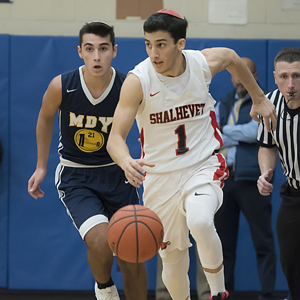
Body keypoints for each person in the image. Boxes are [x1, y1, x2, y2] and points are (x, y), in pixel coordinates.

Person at [107, 9, 277, 300]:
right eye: (148, 44)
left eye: (161, 44)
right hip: (160, 179)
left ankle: (218, 292)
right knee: (172, 260)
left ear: (180, 44)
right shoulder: (139, 80)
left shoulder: (202, 64)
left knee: (200, 221)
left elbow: (233, 58)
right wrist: (126, 161)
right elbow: (114, 139)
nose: (153, 52)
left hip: (202, 164)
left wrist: (259, 97)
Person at [27, 22, 147, 300]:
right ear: (80, 51)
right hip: (77, 176)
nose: (97, 56)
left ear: (114, 51)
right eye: (90, 49)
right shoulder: (62, 85)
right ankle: (104, 287)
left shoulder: (126, 85)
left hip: (118, 175)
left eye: (103, 49)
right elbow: (45, 118)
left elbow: (147, 124)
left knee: (133, 254)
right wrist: (41, 165)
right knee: (101, 240)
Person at [214, 57, 277, 300]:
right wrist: (236, 134)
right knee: (223, 246)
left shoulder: (263, 101)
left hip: (252, 181)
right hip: (224, 180)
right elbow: (213, 135)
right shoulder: (224, 101)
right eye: (235, 75)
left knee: (263, 242)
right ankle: (224, 294)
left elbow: (256, 131)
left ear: (255, 77)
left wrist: (226, 132)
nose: (239, 80)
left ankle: (268, 295)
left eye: (245, 75)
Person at [257, 46, 300, 300]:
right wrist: (265, 172)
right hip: (293, 195)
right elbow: (267, 146)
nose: (291, 83)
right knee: (290, 259)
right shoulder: (270, 103)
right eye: (284, 76)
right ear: (275, 77)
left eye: (297, 75)